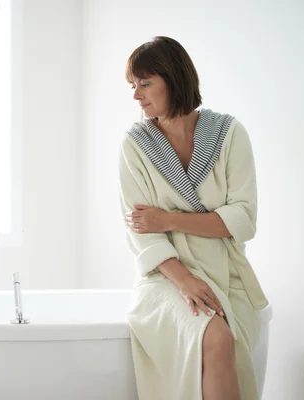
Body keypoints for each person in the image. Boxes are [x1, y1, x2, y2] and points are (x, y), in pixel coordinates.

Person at [118, 36, 269, 400]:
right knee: (214, 337)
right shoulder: (135, 145)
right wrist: (184, 280)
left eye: (146, 83)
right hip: (166, 278)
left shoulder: (229, 134)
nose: (136, 96)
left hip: (227, 275)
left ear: (175, 78)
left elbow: (243, 220)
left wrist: (168, 220)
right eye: (133, 85)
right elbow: (143, 234)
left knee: (227, 340)